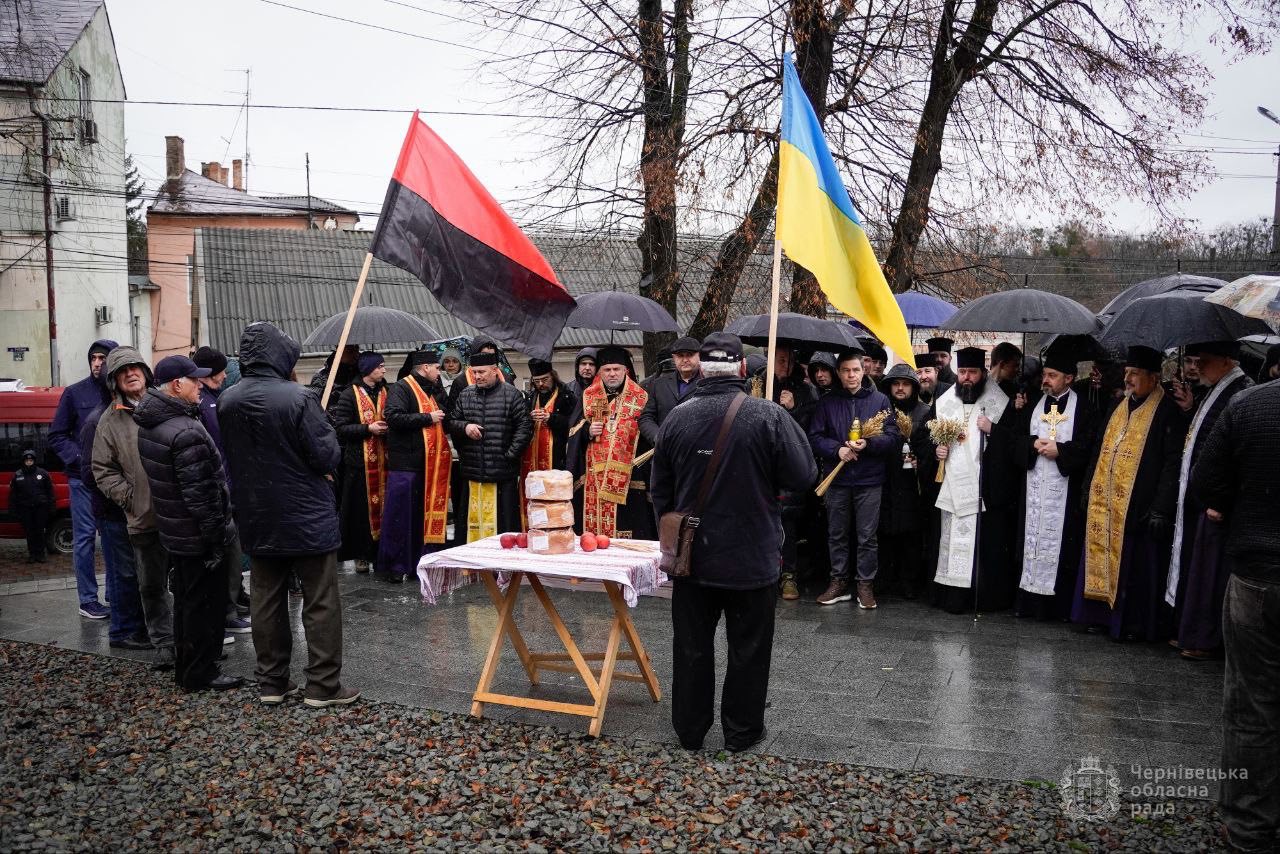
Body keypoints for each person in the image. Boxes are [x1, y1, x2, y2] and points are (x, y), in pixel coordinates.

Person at [650, 332, 816, 753]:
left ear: (702, 368)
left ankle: (690, 731)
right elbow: (803, 476)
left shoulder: (677, 418)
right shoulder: (769, 416)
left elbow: (660, 493)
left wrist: (674, 536)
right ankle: (741, 733)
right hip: (753, 557)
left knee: (691, 648)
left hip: (693, 558)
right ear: (744, 369)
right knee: (750, 649)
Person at [219, 322, 357, 708]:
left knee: (266, 598)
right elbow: (325, 456)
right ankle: (323, 685)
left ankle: (272, 682)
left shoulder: (228, 401)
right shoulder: (299, 399)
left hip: (257, 514)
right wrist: (325, 428)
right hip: (306, 514)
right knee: (320, 599)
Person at [1189, 379, 1280, 852]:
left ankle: (1249, 825)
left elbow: (1207, 481)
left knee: (1252, 705)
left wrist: (1228, 507)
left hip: (1258, 578)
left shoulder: (1251, 405)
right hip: (1259, 571)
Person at [133, 356, 242, 693]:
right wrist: (215, 540)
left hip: (176, 531)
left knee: (186, 602)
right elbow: (202, 495)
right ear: (177, 385)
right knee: (203, 605)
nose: (200, 386)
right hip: (197, 534)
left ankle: (188, 668)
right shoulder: (184, 430)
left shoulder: (154, 422)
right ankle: (200, 672)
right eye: (194, 381)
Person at [1073, 345, 1184, 641]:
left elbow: (1174, 462)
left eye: (1135, 373)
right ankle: (1098, 616)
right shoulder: (1118, 405)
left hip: (1140, 505)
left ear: (1154, 376)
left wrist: (1161, 506)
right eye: (1126, 373)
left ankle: (1130, 625)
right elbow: (1099, 448)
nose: (1128, 379)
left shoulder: (1167, 410)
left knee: (1134, 568)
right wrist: (1087, 488)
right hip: (1105, 500)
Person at [89, 347, 176, 663]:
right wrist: (130, 498)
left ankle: (195, 638)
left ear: (145, 370)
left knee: (187, 579)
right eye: (122, 371)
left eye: (135, 367)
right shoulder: (109, 421)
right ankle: (165, 644)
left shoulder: (168, 404)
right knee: (150, 584)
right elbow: (102, 468)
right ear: (114, 381)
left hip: (179, 512)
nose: (130, 373)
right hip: (144, 517)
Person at [1166, 341, 1252, 660]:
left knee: (1211, 573)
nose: (1198, 367)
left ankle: (1204, 636)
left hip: (1217, 505)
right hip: (1200, 499)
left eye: (1206, 361)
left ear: (1227, 361)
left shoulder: (1240, 392)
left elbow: (1235, 455)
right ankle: (1190, 630)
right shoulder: (1217, 389)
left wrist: (1220, 498)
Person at [913, 346, 1014, 613]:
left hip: (984, 492)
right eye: (962, 372)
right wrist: (936, 451)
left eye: (972, 372)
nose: (966, 378)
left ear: (982, 373)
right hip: (950, 490)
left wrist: (993, 430)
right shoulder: (944, 402)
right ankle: (948, 597)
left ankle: (977, 598)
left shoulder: (999, 403)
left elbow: (1013, 447)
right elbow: (923, 439)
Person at [1009, 347, 1099, 620]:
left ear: (1069, 378)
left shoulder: (1085, 407)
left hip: (1065, 490)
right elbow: (1015, 438)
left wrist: (1062, 451)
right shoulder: (1034, 401)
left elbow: (1089, 446)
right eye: (1045, 375)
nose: (1045, 380)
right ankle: (1027, 604)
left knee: (1061, 545)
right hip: (1034, 488)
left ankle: (1057, 609)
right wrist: (1031, 444)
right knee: (1031, 541)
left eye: (1052, 375)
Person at [808, 350, 899, 608]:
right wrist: (837, 450)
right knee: (837, 533)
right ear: (839, 373)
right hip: (837, 480)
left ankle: (865, 585)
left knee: (867, 536)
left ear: (864, 370)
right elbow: (814, 437)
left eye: (856, 370)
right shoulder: (827, 402)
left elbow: (892, 437)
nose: (851, 375)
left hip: (869, 479)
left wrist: (867, 444)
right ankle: (838, 582)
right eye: (846, 370)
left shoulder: (880, 400)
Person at [48, 338, 118, 620]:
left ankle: (115, 594)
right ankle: (88, 599)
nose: (97, 363)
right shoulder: (74, 393)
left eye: (103, 358)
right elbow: (57, 435)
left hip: (113, 480)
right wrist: (80, 459)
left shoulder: (119, 392)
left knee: (115, 538)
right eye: (94, 358)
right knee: (85, 540)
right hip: (81, 480)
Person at [192, 345, 251, 636]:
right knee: (226, 551)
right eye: (219, 371)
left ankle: (233, 601)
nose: (224, 375)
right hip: (217, 488)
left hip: (229, 484)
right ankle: (225, 612)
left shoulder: (217, 398)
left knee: (233, 549)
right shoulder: (202, 403)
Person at [568, 345, 655, 539]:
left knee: (629, 527)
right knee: (592, 535)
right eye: (607, 370)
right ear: (600, 372)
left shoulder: (640, 397)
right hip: (593, 477)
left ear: (626, 371)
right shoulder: (590, 395)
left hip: (629, 475)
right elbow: (573, 430)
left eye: (617, 369)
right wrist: (587, 431)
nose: (612, 374)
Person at [378, 350, 450, 581]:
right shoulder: (402, 387)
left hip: (428, 465)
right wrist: (427, 418)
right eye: (437, 367)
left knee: (421, 517)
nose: (440, 371)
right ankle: (395, 567)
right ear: (424, 367)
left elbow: (445, 413)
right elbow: (393, 417)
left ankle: (420, 563)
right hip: (405, 465)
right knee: (401, 517)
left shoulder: (432, 388)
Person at [447, 351, 532, 540]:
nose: (477, 376)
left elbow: (525, 427)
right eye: (474, 372)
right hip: (473, 471)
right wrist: (465, 427)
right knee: (470, 527)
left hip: (502, 474)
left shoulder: (511, 394)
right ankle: (471, 569)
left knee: (504, 529)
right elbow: (452, 421)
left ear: (495, 370)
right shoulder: (466, 394)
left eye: (482, 372)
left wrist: (509, 455)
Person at [331, 352, 390, 575]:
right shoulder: (349, 395)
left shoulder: (387, 390)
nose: (384, 370)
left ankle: (379, 552)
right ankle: (360, 555)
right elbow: (341, 428)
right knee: (359, 513)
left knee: (383, 510)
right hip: (359, 465)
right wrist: (368, 429)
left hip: (384, 462)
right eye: (380, 366)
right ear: (368, 369)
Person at [878, 363, 931, 600]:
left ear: (914, 387)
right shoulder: (882, 411)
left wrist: (921, 461)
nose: (900, 389)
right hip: (886, 479)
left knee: (912, 534)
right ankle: (886, 579)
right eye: (896, 384)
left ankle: (909, 581)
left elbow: (931, 445)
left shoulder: (924, 412)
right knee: (885, 532)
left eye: (905, 384)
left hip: (912, 482)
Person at [520, 359, 576, 526]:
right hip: (531, 455)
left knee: (552, 496)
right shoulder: (531, 397)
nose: (541, 384)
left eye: (544, 379)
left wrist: (551, 418)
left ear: (553, 376)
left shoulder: (566, 396)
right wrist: (529, 419)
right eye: (536, 381)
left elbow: (573, 425)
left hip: (557, 456)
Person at [639, 336, 701, 445]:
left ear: (699, 356)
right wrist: (657, 437)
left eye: (690, 355)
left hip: (697, 450)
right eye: (680, 356)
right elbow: (646, 417)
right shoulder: (659, 384)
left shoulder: (708, 383)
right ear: (674, 358)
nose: (685, 360)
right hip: (664, 452)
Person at [8, 450, 53, 563]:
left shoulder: (42, 473)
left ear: (34, 461)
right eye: (27, 460)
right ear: (23, 461)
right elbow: (13, 494)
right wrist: (13, 510)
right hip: (25, 508)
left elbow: (50, 492)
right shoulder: (18, 475)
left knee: (39, 531)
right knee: (29, 532)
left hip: (40, 508)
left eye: (31, 460)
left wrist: (51, 507)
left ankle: (41, 554)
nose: (29, 462)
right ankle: (32, 554)